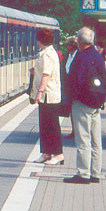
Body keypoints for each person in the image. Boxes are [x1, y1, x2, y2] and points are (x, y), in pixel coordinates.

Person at [64, 26, 106, 184]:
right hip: (97, 103)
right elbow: (104, 78)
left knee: (83, 139)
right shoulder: (97, 56)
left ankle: (83, 173)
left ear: (79, 40)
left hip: (82, 102)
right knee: (96, 141)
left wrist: (72, 98)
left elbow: (76, 80)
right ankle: (95, 173)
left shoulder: (81, 57)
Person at [30, 28, 64, 165]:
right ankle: (46, 153)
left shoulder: (48, 55)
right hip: (46, 96)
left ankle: (58, 154)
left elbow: (46, 74)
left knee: (52, 126)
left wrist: (39, 92)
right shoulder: (45, 54)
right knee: (45, 125)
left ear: (41, 40)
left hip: (49, 95)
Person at [61, 36, 78, 138]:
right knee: (71, 110)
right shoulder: (67, 55)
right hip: (68, 87)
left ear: (73, 46)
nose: (66, 46)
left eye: (68, 44)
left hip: (75, 87)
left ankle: (78, 131)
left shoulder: (79, 55)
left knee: (76, 110)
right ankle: (74, 131)